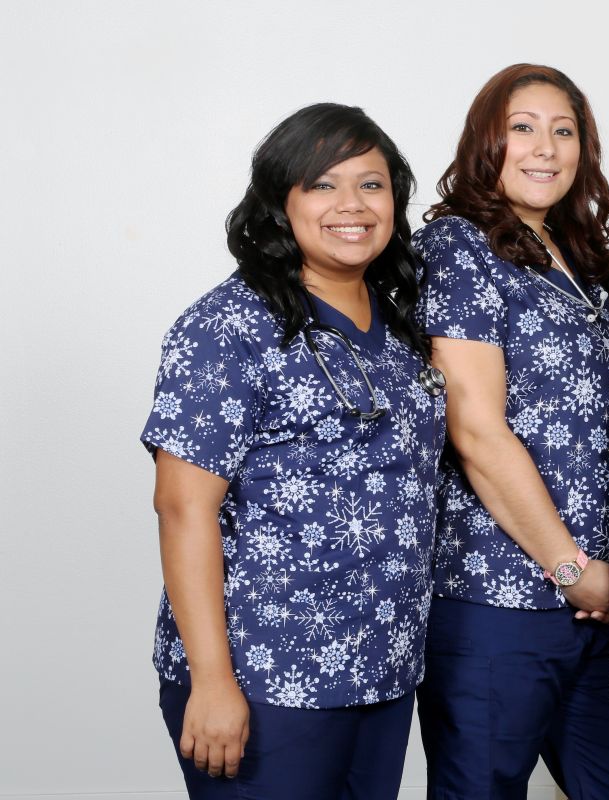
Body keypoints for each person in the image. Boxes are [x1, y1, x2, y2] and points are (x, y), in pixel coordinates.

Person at [141, 103, 445, 799]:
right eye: (323, 184)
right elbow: (183, 508)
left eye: (372, 185)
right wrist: (214, 682)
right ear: (280, 201)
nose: (352, 205)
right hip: (266, 675)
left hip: (382, 671)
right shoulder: (230, 327)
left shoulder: (400, 331)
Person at [411, 64, 609, 799]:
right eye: (523, 128)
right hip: (499, 602)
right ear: (487, 142)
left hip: (600, 607)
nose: (545, 147)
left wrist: (600, 581)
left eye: (563, 130)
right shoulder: (460, 248)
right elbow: (476, 430)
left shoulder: (587, 260)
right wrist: (572, 569)